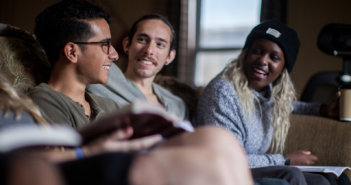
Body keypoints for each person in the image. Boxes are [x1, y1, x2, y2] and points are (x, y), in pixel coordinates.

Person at [24, 1, 255, 185]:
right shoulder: (43, 100)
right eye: (105, 45)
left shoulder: (106, 104)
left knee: (217, 138)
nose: (114, 55)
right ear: (72, 52)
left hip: (128, 163)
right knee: (210, 163)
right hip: (103, 172)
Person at [194, 20, 336, 185]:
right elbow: (228, 159)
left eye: (274, 57)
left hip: (244, 170)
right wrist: (285, 160)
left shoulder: (263, 91)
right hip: (220, 173)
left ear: (283, 68)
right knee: (291, 176)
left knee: (326, 181)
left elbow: (287, 105)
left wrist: (322, 109)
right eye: (257, 51)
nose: (262, 61)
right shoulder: (223, 92)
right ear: (246, 53)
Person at [87, 14, 188, 120]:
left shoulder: (178, 106)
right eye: (142, 40)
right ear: (127, 45)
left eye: (159, 44)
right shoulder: (100, 79)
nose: (149, 51)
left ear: (170, 56)